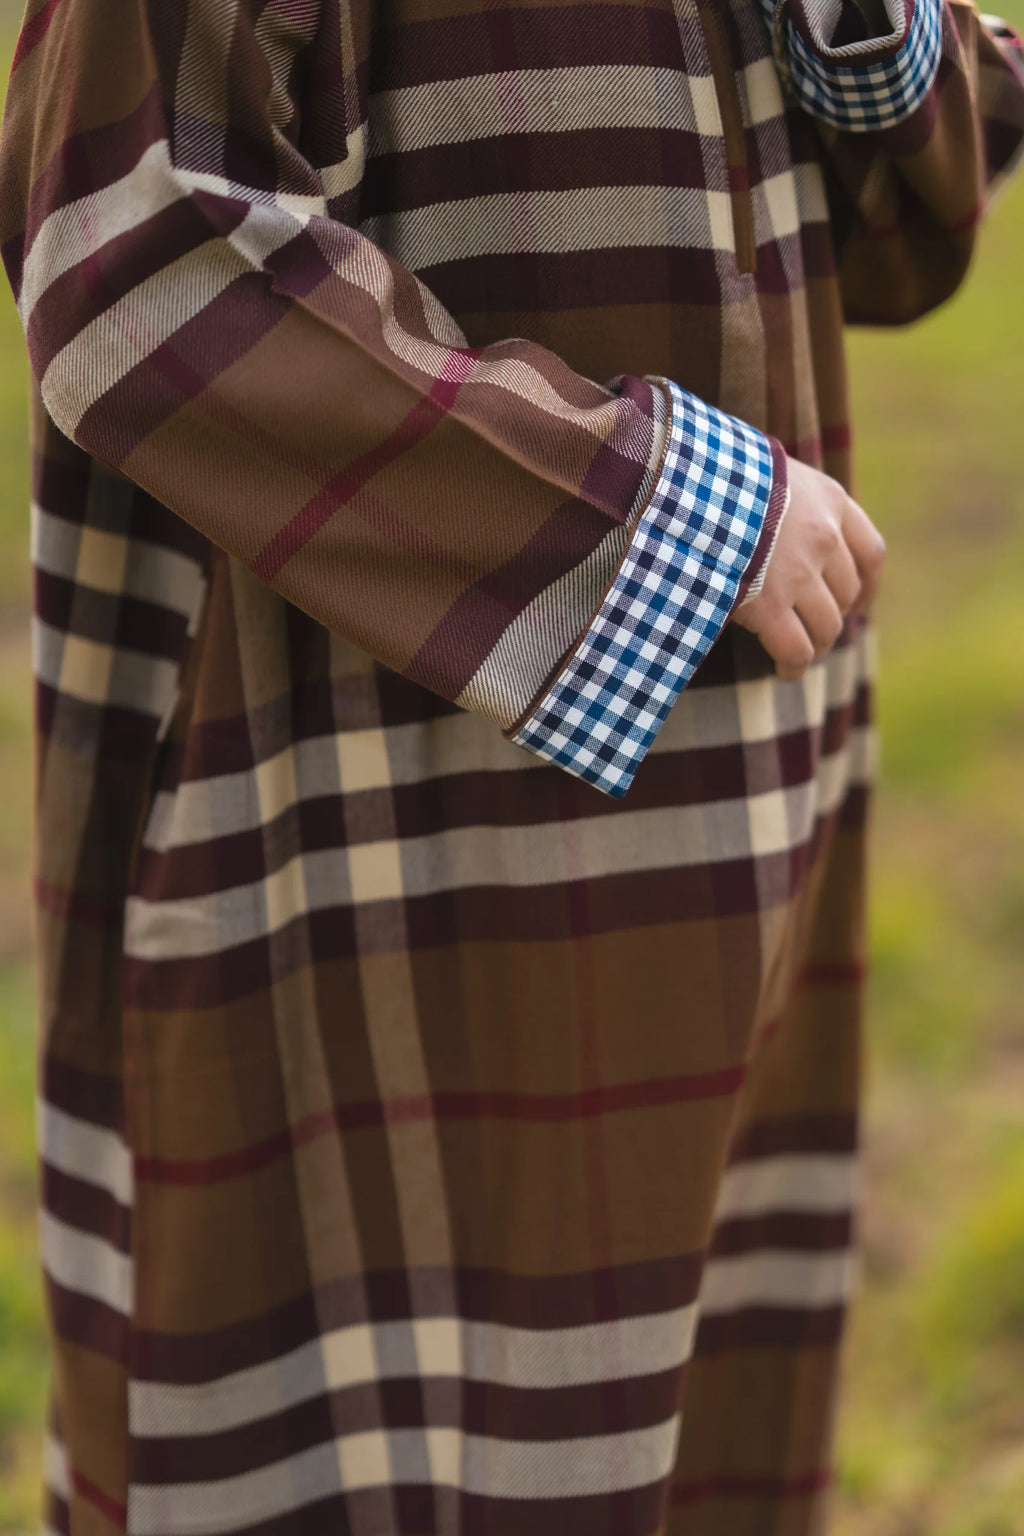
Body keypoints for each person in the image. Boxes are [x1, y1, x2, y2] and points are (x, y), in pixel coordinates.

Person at [0, 0, 1021, 1530]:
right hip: (351, 813)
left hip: (732, 808)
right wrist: (644, 515)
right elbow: (133, 259)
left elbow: (891, 239)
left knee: (685, 1420)